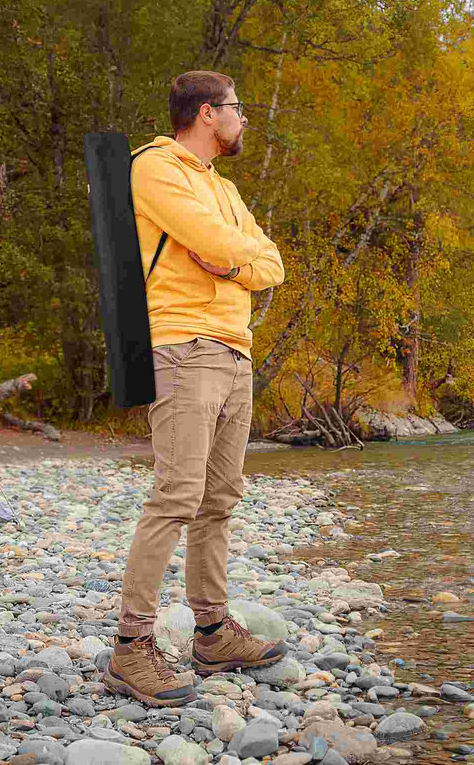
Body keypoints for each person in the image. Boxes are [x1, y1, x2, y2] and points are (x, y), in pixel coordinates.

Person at [103, 71, 287, 707]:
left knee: (221, 497)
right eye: (238, 109)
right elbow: (214, 244)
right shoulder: (156, 168)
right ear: (208, 113)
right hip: (184, 346)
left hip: (234, 350)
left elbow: (273, 263)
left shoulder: (225, 187)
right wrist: (238, 257)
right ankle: (131, 648)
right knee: (177, 495)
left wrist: (234, 261)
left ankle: (211, 632)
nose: (244, 120)